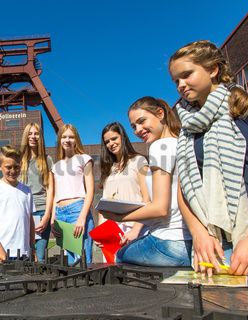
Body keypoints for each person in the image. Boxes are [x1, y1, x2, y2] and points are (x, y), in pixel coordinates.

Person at [169, 40, 248, 288]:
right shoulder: (187, 130)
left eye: (186, 75)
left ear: (213, 69)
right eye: (175, 81)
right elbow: (183, 189)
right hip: (214, 246)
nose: (180, 85)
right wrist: (199, 234)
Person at [101, 98, 192, 267]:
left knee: (119, 256)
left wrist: (119, 217)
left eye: (142, 122)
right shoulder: (181, 143)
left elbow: (160, 208)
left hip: (168, 241)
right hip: (187, 242)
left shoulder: (160, 147)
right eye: (134, 126)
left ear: (160, 113)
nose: (138, 130)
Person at [97, 122, 150, 261]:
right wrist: (101, 233)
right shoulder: (109, 168)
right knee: (111, 276)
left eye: (114, 138)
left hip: (135, 229)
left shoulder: (139, 161)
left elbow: (147, 199)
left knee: (133, 275)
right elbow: (104, 205)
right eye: (107, 141)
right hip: (112, 233)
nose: (111, 144)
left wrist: (135, 230)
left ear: (122, 137)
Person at [0, 145, 36, 262]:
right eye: (8, 167)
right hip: (1, 253)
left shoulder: (27, 191)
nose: (13, 171)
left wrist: (32, 249)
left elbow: (30, 221)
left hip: (24, 253)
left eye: (16, 166)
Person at [51, 124, 95, 265]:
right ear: (60, 140)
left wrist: (82, 218)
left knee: (82, 261)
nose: (67, 140)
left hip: (77, 210)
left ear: (76, 140)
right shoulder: (55, 166)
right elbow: (54, 195)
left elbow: (90, 190)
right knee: (70, 263)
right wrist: (53, 219)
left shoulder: (84, 159)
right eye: (64, 137)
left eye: (71, 137)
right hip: (60, 214)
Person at [20, 123, 54, 262]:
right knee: (24, 256)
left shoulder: (47, 160)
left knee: (39, 258)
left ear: (40, 137)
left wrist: (47, 215)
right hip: (23, 212)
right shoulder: (19, 160)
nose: (33, 136)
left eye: (36, 133)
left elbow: (50, 189)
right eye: (30, 133)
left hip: (40, 212)